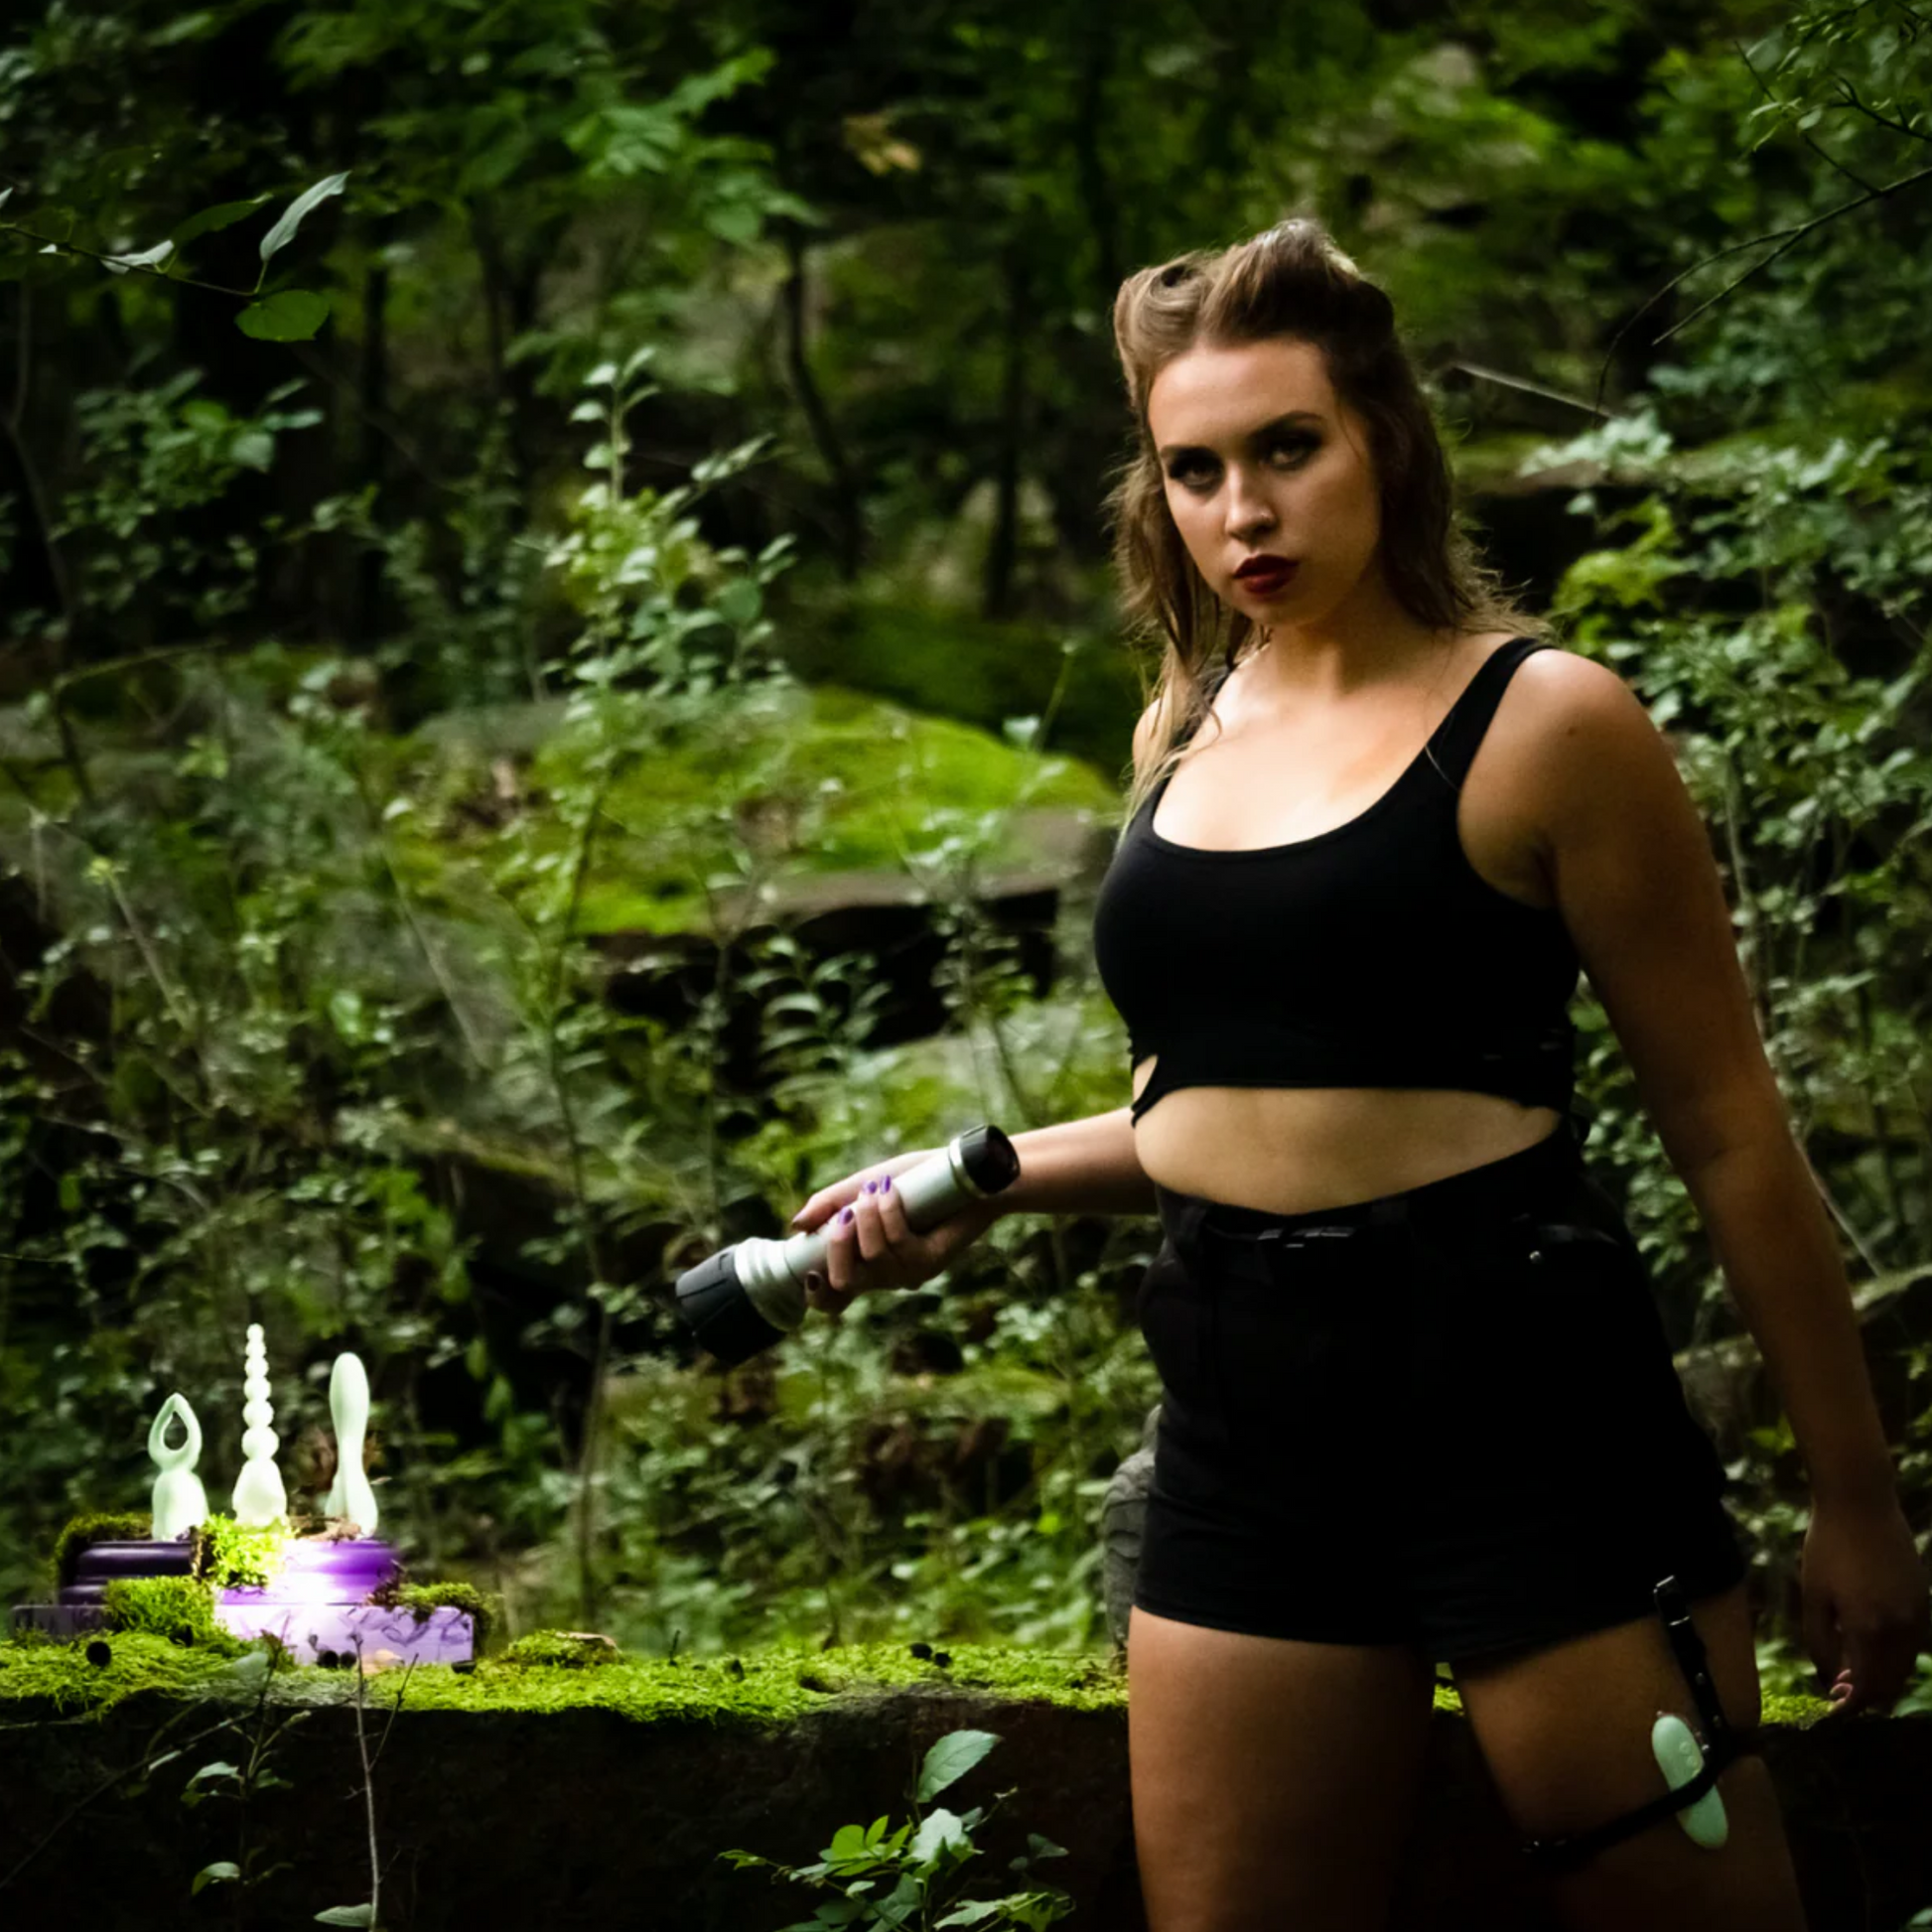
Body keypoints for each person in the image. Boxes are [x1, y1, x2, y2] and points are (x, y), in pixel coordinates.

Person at [783, 217, 1929, 1931]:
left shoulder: (1545, 721)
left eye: (1285, 448)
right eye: (1194, 469)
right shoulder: (1188, 723)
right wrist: (994, 1180)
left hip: (1520, 1405)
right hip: (1243, 1421)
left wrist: (1855, 1497)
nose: (1240, 509)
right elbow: (1216, 1112)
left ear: (1382, 440)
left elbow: (1727, 1130)